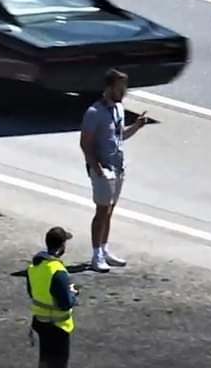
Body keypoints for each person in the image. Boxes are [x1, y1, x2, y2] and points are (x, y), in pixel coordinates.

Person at [79, 68, 149, 272]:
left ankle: (104, 248)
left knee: (110, 211)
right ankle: (96, 254)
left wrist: (136, 126)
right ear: (109, 88)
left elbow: (119, 136)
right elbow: (85, 143)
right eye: (120, 88)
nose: (123, 92)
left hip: (118, 168)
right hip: (103, 169)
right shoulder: (94, 113)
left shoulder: (118, 109)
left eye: (124, 88)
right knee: (102, 211)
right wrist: (96, 168)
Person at [25, 226, 79, 368]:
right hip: (58, 326)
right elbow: (65, 303)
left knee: (45, 362)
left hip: (40, 322)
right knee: (58, 364)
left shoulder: (33, 267)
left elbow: (32, 292)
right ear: (61, 247)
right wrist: (73, 293)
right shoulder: (58, 271)